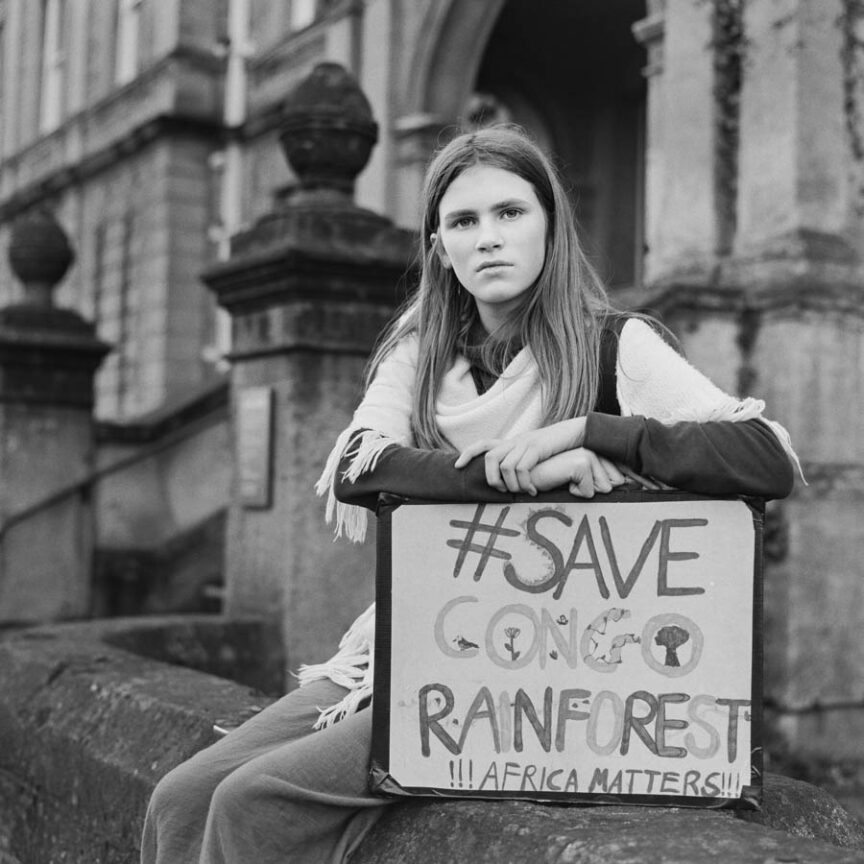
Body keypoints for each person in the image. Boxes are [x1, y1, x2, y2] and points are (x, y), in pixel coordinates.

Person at [140, 126, 798, 864]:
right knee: (179, 796)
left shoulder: (616, 345)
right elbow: (360, 468)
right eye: (463, 221)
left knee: (253, 802)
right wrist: (507, 473)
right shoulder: (419, 355)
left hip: (559, 672)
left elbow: (766, 457)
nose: (488, 238)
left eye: (510, 213)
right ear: (438, 245)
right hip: (420, 642)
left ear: (551, 225)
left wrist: (588, 433)